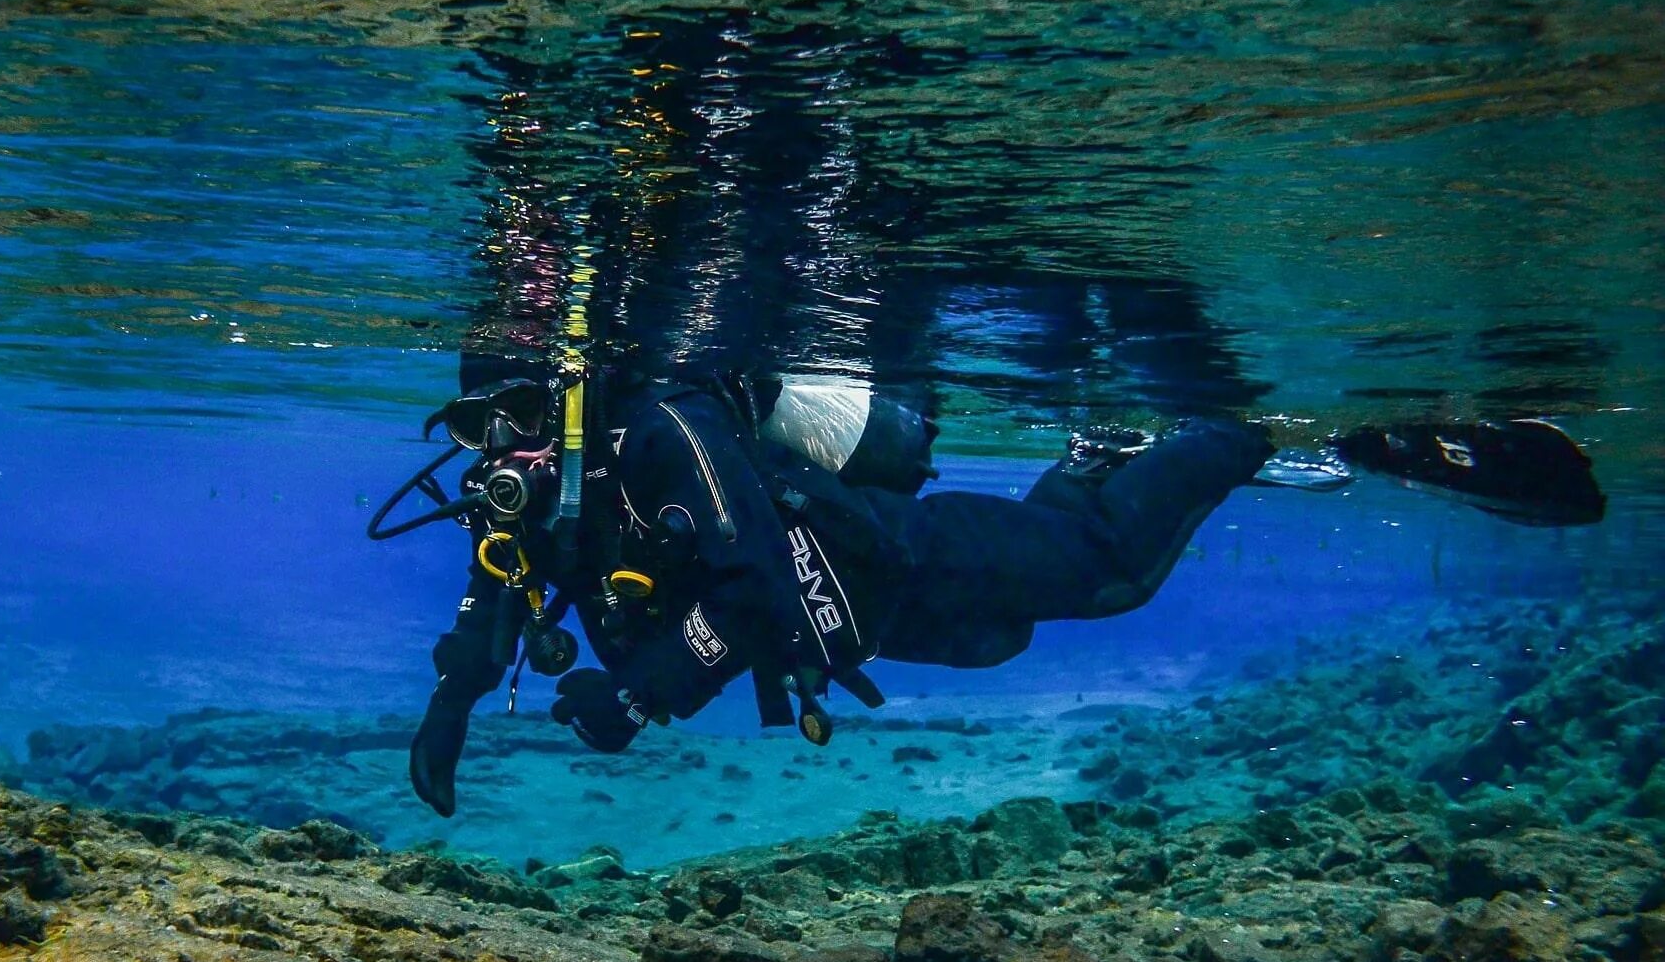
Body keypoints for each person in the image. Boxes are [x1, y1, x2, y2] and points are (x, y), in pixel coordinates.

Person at [401, 371, 1273, 817]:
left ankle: (1238, 426)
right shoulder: (527, 505)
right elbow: (496, 595)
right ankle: (1090, 464)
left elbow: (755, 580)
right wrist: (451, 707)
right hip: (851, 622)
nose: (505, 445)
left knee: (1109, 574)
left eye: (520, 410)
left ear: (563, 402)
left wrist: (636, 694)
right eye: (480, 426)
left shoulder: (662, 433)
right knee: (1001, 635)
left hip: (896, 555)